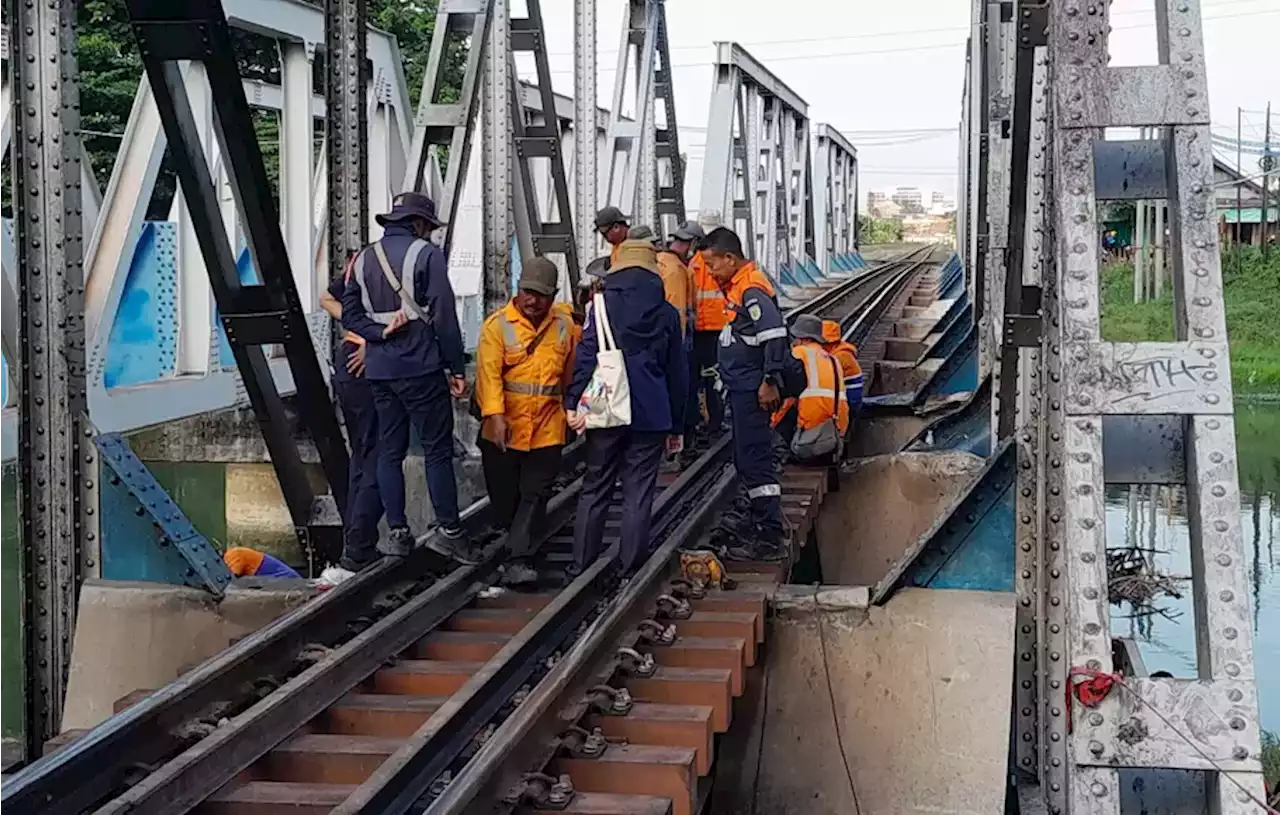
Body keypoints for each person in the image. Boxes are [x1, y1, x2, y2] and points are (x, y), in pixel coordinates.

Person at [341, 192, 468, 559]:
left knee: (389, 451)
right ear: (418, 223)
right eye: (428, 227)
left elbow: (350, 315)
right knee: (436, 450)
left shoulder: (363, 259)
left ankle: (397, 532)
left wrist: (378, 334)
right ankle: (450, 530)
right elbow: (444, 317)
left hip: (380, 371)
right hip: (422, 368)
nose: (429, 233)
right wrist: (456, 367)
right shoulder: (426, 255)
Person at [565, 236, 688, 578]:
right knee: (638, 490)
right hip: (651, 411)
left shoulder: (600, 305)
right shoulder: (665, 312)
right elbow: (678, 372)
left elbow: (586, 355)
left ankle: (581, 564)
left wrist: (573, 401)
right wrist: (677, 425)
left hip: (606, 408)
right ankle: (630, 564)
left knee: (595, 485)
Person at [473, 258, 579, 584]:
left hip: (546, 427)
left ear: (554, 295)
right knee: (506, 496)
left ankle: (519, 559)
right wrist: (495, 416)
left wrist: (573, 410)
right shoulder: (498, 326)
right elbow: (488, 375)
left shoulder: (564, 327)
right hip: (505, 428)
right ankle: (513, 538)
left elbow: (571, 374)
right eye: (527, 292)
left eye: (541, 295)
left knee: (535, 492)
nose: (532, 301)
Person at [701, 226, 790, 561]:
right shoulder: (739, 288)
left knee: (755, 460)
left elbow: (774, 335)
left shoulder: (751, 289)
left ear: (729, 258)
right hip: (743, 389)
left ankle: (768, 537)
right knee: (747, 457)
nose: (710, 272)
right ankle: (760, 524)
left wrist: (769, 380)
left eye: (713, 265)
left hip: (753, 391)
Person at [318, 254, 383, 580]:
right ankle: (358, 549)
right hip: (370, 364)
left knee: (363, 455)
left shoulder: (362, 261)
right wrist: (372, 339)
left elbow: (326, 298)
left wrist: (356, 326)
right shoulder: (404, 265)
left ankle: (357, 546)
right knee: (380, 456)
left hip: (348, 360)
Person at [771, 314, 849, 465]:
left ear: (803, 339)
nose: (794, 342)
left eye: (795, 338)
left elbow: (789, 398)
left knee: (784, 405)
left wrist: (772, 424)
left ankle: (784, 453)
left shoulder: (799, 354)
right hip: (835, 435)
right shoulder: (833, 359)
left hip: (810, 441)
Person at [666, 221, 707, 455]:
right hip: (683, 338)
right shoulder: (676, 269)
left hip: (680, 336)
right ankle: (684, 433)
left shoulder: (666, 263)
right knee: (685, 386)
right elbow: (678, 309)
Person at [689, 211, 729, 441]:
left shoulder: (694, 262)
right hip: (717, 328)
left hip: (697, 329)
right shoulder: (721, 260)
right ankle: (715, 421)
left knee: (696, 377)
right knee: (714, 376)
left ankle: (698, 422)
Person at [821, 319, 864, 424]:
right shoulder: (839, 351)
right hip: (848, 392)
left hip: (850, 397)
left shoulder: (840, 356)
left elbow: (826, 376)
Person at [224, 547, 302, 579]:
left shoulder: (231, 555)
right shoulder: (233, 553)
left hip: (263, 568)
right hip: (262, 568)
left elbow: (234, 576)